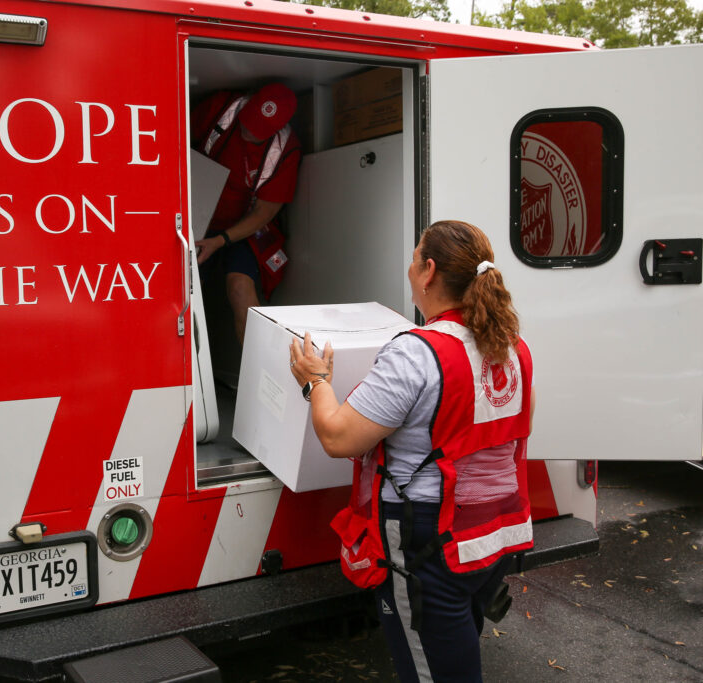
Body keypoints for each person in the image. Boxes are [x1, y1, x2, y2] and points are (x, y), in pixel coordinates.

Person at [289, 220, 535, 683]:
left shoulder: (416, 354)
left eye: (414, 256)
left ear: (429, 271)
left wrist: (315, 381)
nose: (410, 266)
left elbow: (339, 438)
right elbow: (516, 429)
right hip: (492, 531)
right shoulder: (512, 345)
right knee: (456, 656)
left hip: (428, 542)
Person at [191, 83, 302, 345]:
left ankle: (256, 366)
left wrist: (221, 241)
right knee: (188, 290)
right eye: (248, 121)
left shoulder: (286, 149)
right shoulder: (222, 107)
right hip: (197, 214)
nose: (248, 131)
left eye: (257, 131)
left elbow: (266, 211)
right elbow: (172, 139)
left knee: (241, 288)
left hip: (244, 227)